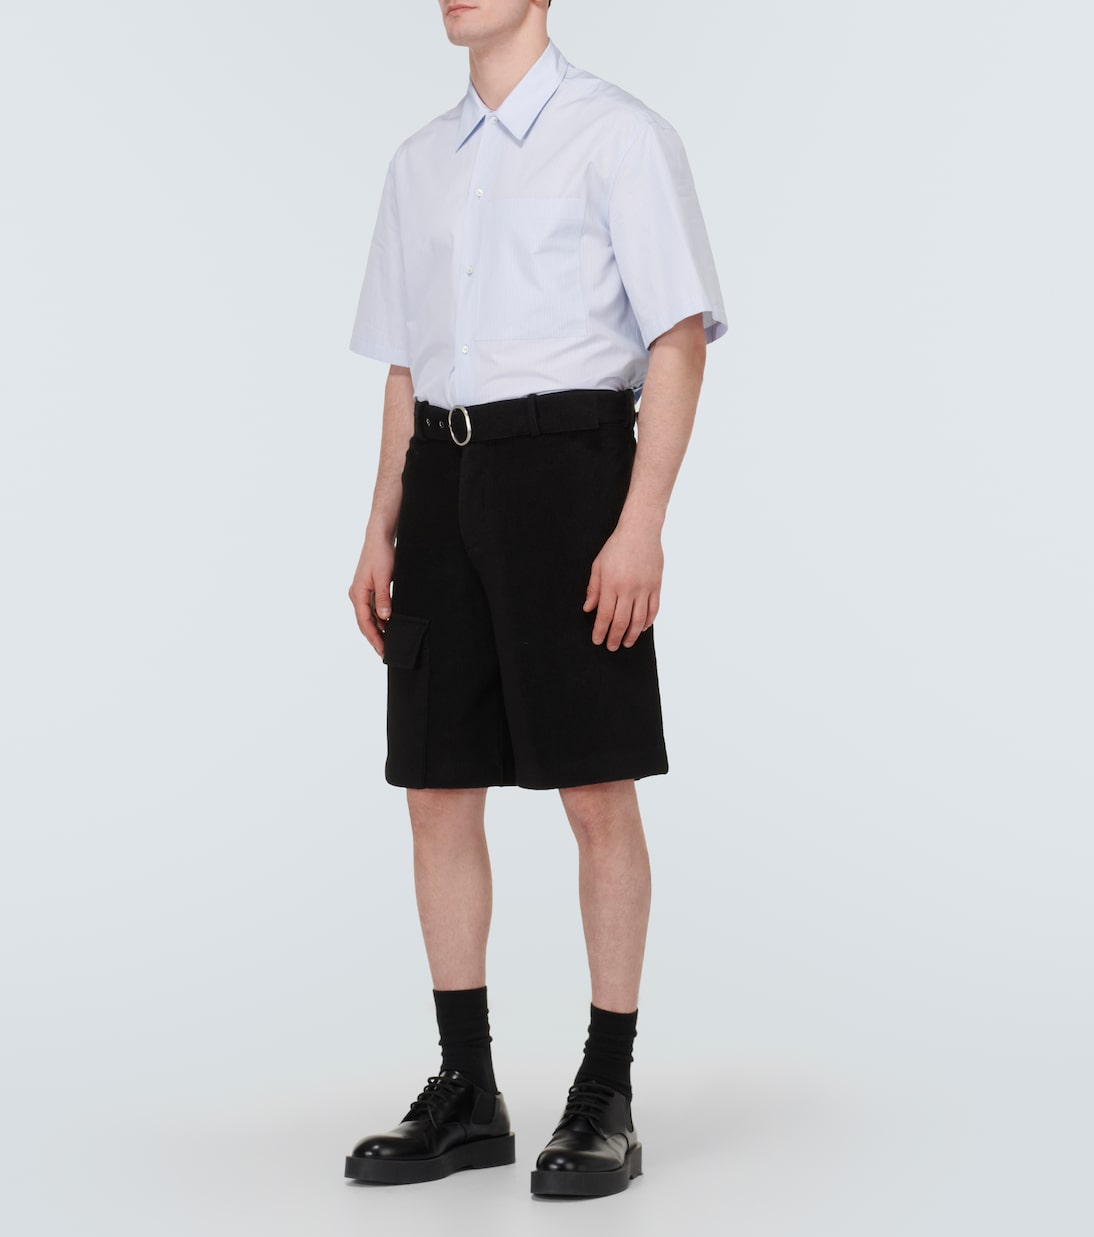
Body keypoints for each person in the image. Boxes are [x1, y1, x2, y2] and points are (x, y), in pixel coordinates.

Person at [343, 0, 726, 1198]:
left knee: (592, 786)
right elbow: (405, 360)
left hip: (569, 472)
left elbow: (675, 337)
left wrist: (640, 522)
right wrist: (380, 522)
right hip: (441, 472)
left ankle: (605, 1090)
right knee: (433, 787)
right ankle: (466, 1087)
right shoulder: (415, 163)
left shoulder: (619, 136)